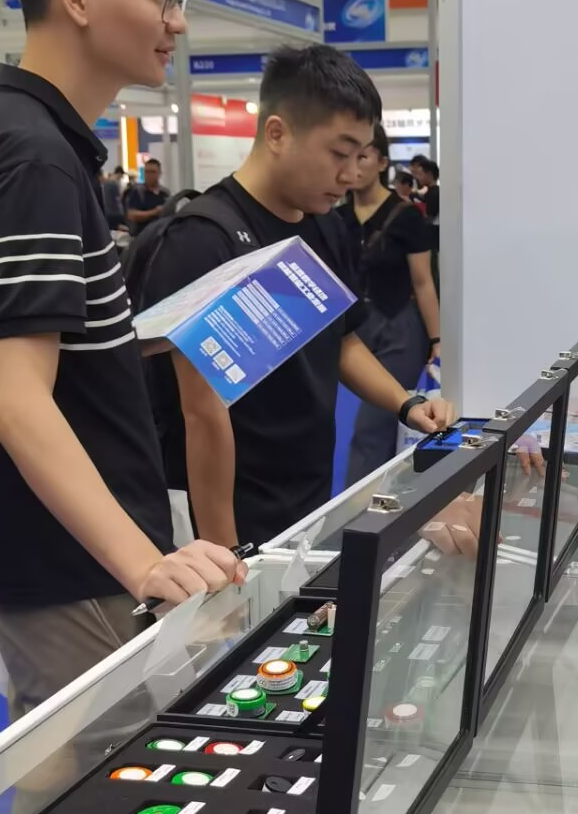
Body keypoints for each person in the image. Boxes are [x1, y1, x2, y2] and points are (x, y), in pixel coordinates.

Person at [0, 0, 244, 724]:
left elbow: (50, 347)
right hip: (75, 569)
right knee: (92, 783)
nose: (177, 22)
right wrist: (143, 565)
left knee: (64, 778)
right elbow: (17, 399)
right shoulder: (33, 156)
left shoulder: (36, 141)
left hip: (71, 558)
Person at [134, 43, 455, 547]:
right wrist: (226, 555)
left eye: (360, 157)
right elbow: (202, 415)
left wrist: (405, 402)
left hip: (306, 497)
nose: (350, 175)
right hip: (227, 518)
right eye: (338, 154)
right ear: (278, 133)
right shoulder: (203, 240)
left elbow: (340, 339)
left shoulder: (323, 226)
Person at [341, 123, 441, 482]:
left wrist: (437, 340)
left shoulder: (407, 216)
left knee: (373, 427)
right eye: (345, 156)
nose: (353, 166)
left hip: (399, 327)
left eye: (363, 156)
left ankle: (362, 510)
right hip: (350, 330)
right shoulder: (334, 218)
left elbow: (423, 282)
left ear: (382, 162)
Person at [124, 156, 169, 235]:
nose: (149, 175)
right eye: (147, 172)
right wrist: (154, 212)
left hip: (161, 236)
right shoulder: (137, 191)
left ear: (159, 173)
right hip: (141, 236)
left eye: (153, 172)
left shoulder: (165, 193)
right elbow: (131, 215)